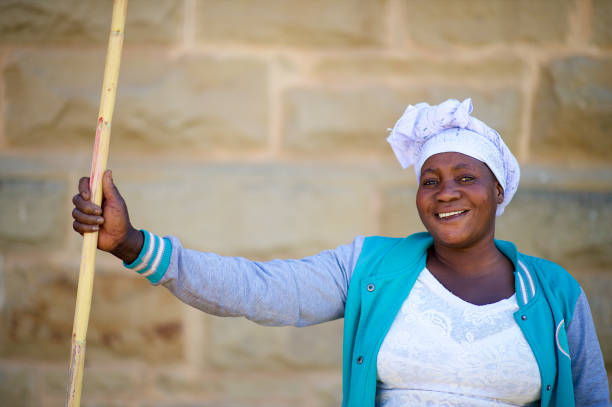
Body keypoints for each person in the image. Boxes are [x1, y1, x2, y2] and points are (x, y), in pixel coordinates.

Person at [72, 98, 611, 407]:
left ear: (498, 191)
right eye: (430, 180)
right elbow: (260, 290)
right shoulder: (370, 268)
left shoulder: (555, 293)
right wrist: (132, 244)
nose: (446, 192)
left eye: (465, 177)